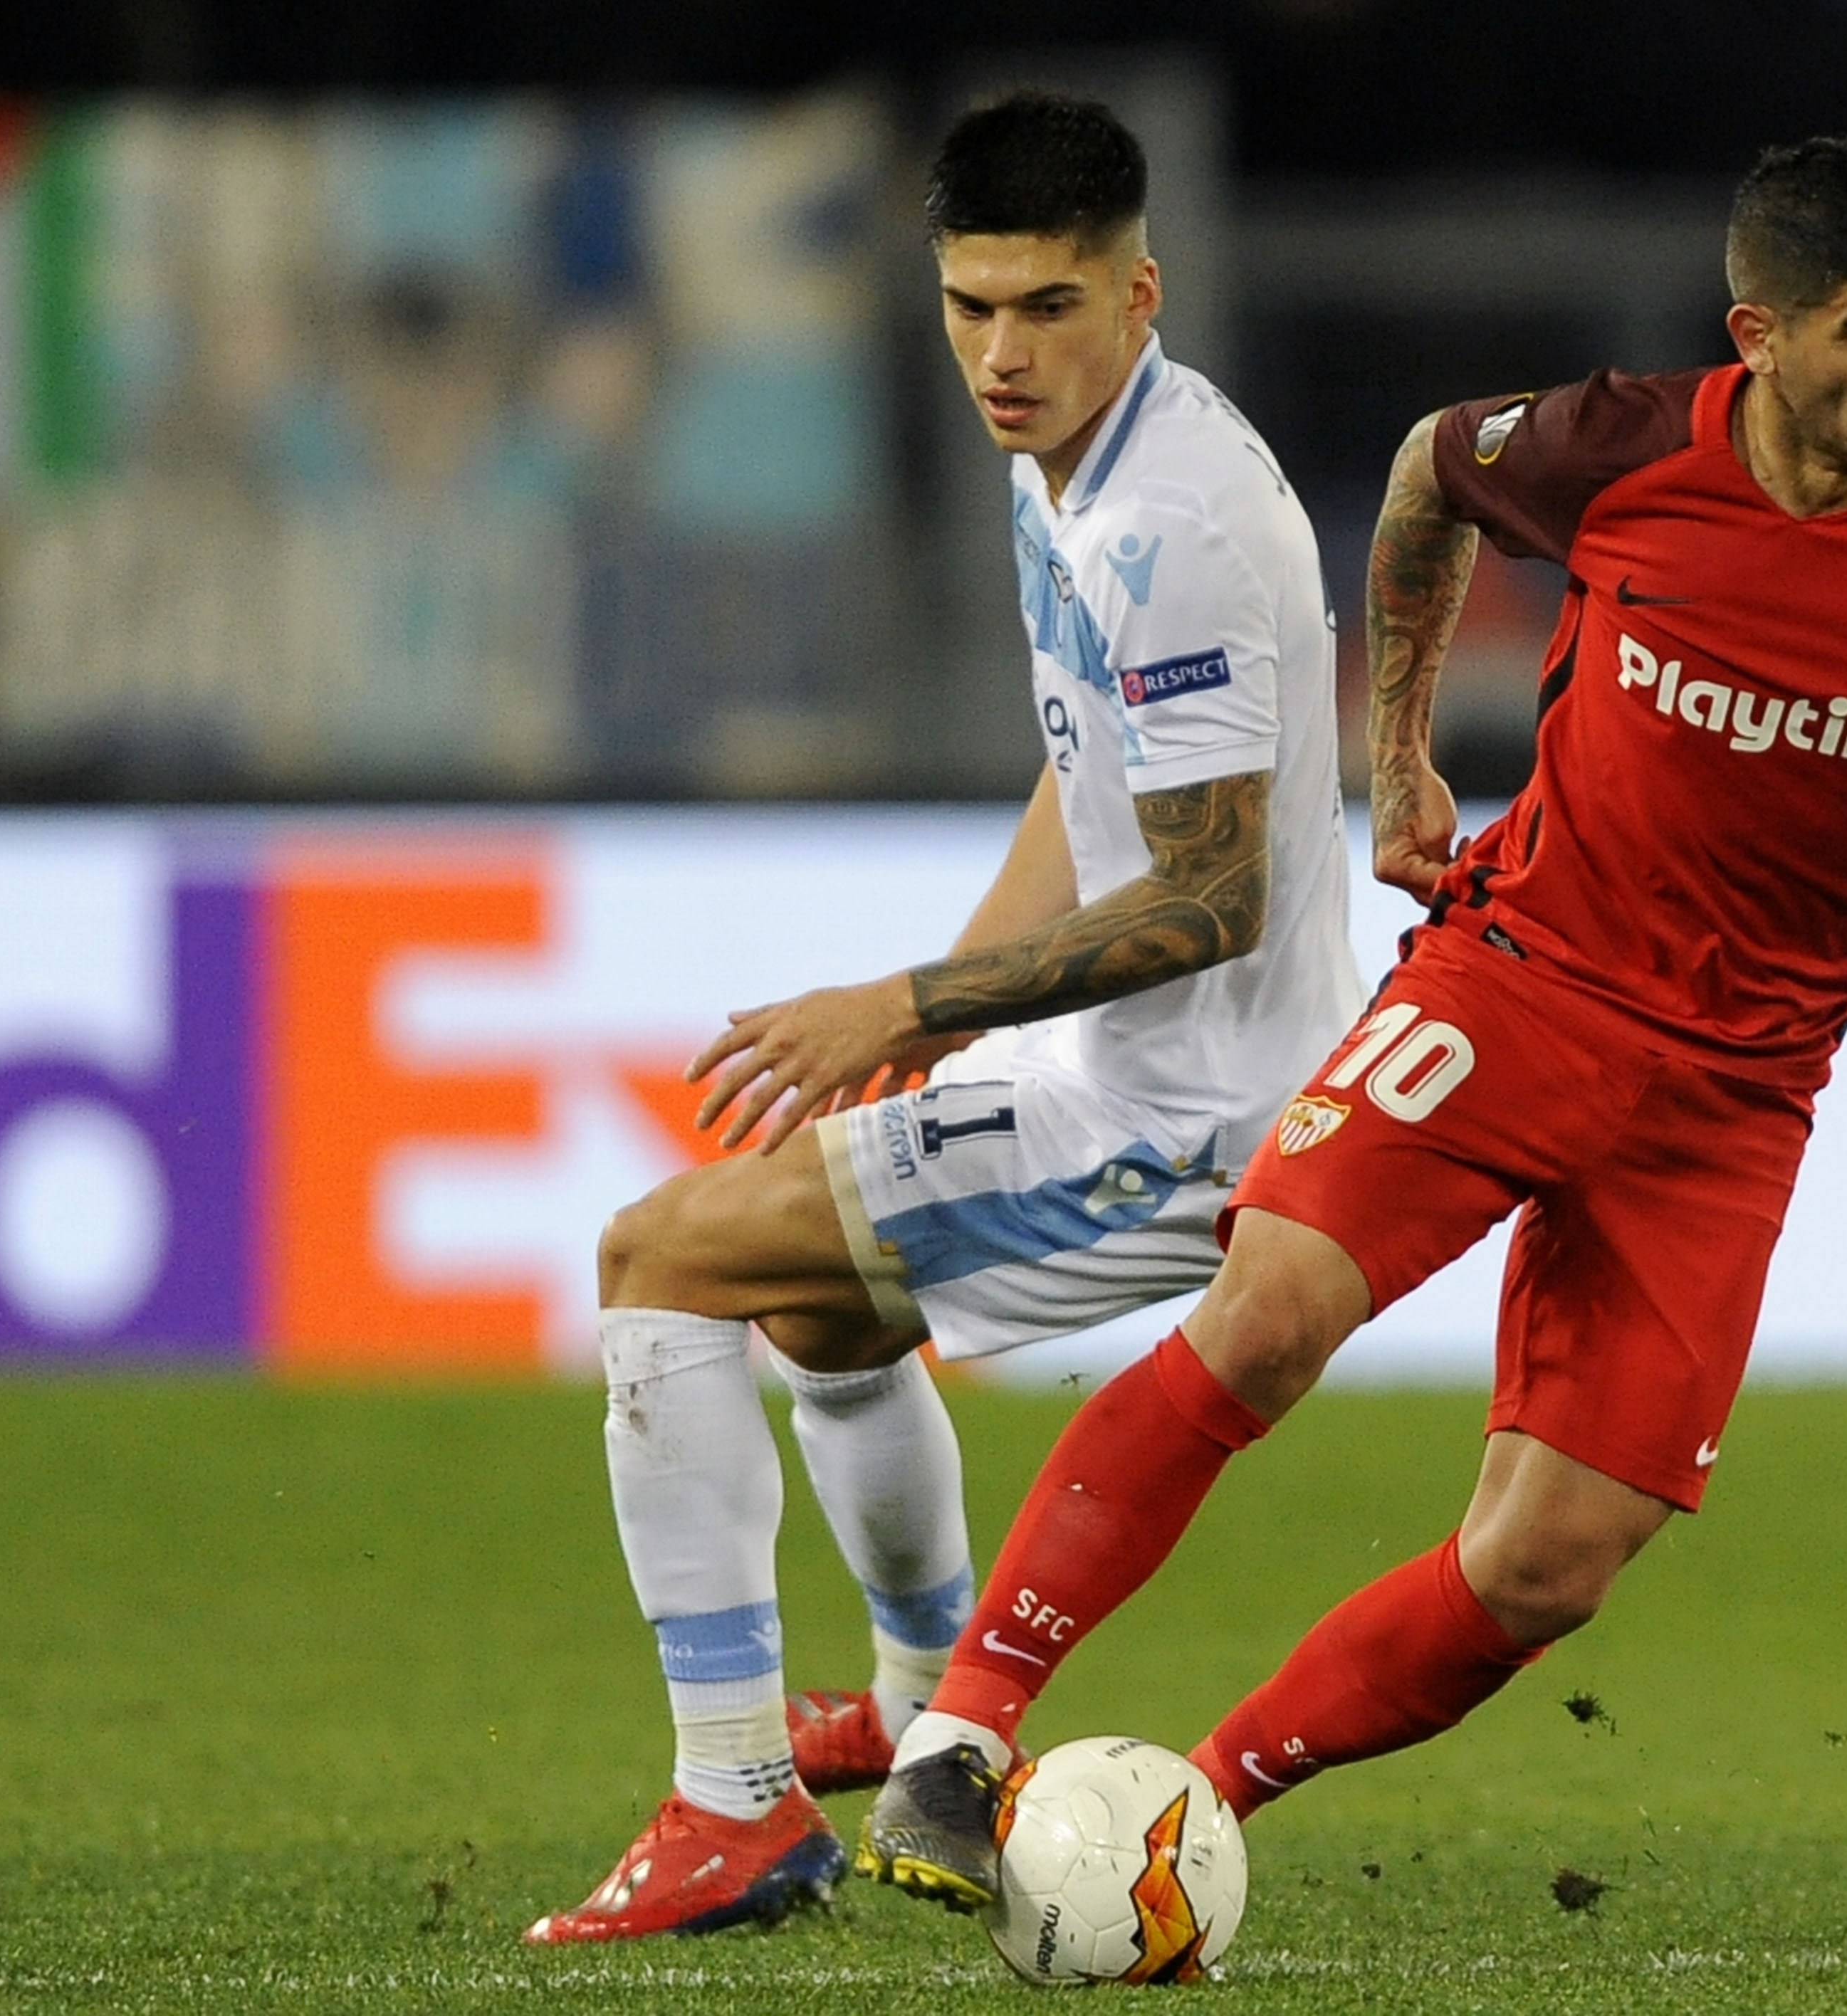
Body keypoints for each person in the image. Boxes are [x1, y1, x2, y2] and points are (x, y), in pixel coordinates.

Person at [859, 135, 1847, 1906]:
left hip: (1734, 1104)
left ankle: (1193, 1809)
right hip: (1519, 979)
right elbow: (1423, 474)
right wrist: (1396, 765)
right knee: (1273, 1311)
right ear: (1753, 335)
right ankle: (963, 1737)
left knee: (1548, 1565)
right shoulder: (1616, 450)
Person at [524, 92, 1361, 1943]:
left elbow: (1212, 895)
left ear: (1142, 295)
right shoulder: (1062, 460)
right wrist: (942, 1024)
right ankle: (916, 1712)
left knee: (659, 1253)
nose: (1003, 350)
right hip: (1120, 1066)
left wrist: (902, 999)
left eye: (1049, 306)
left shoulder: (1172, 522)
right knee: (820, 1298)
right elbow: (1095, 782)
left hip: (1197, 1115)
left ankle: (731, 1803)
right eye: (972, 304)